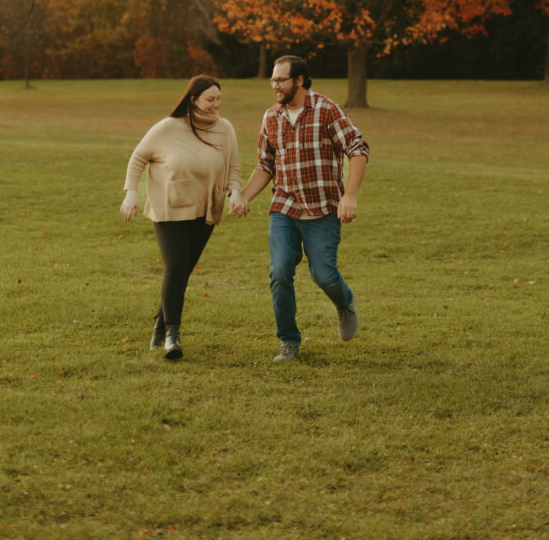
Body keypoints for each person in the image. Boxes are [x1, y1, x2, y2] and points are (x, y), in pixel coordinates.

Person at [231, 55, 369, 363]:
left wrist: (351, 196)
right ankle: (289, 342)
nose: (274, 86)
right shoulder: (271, 117)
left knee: (324, 275)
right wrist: (244, 196)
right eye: (273, 80)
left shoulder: (326, 110)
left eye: (280, 80)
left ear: (300, 80)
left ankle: (344, 302)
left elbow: (357, 149)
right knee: (279, 271)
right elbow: (265, 165)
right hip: (285, 208)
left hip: (322, 210)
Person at [120, 75, 242, 360]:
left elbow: (233, 167)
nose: (216, 105)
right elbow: (138, 158)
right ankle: (172, 337)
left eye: (219, 99)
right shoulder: (167, 128)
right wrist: (131, 194)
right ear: (193, 99)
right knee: (176, 268)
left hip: (206, 210)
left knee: (182, 272)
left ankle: (160, 324)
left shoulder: (225, 130)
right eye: (210, 99)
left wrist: (236, 192)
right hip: (169, 209)